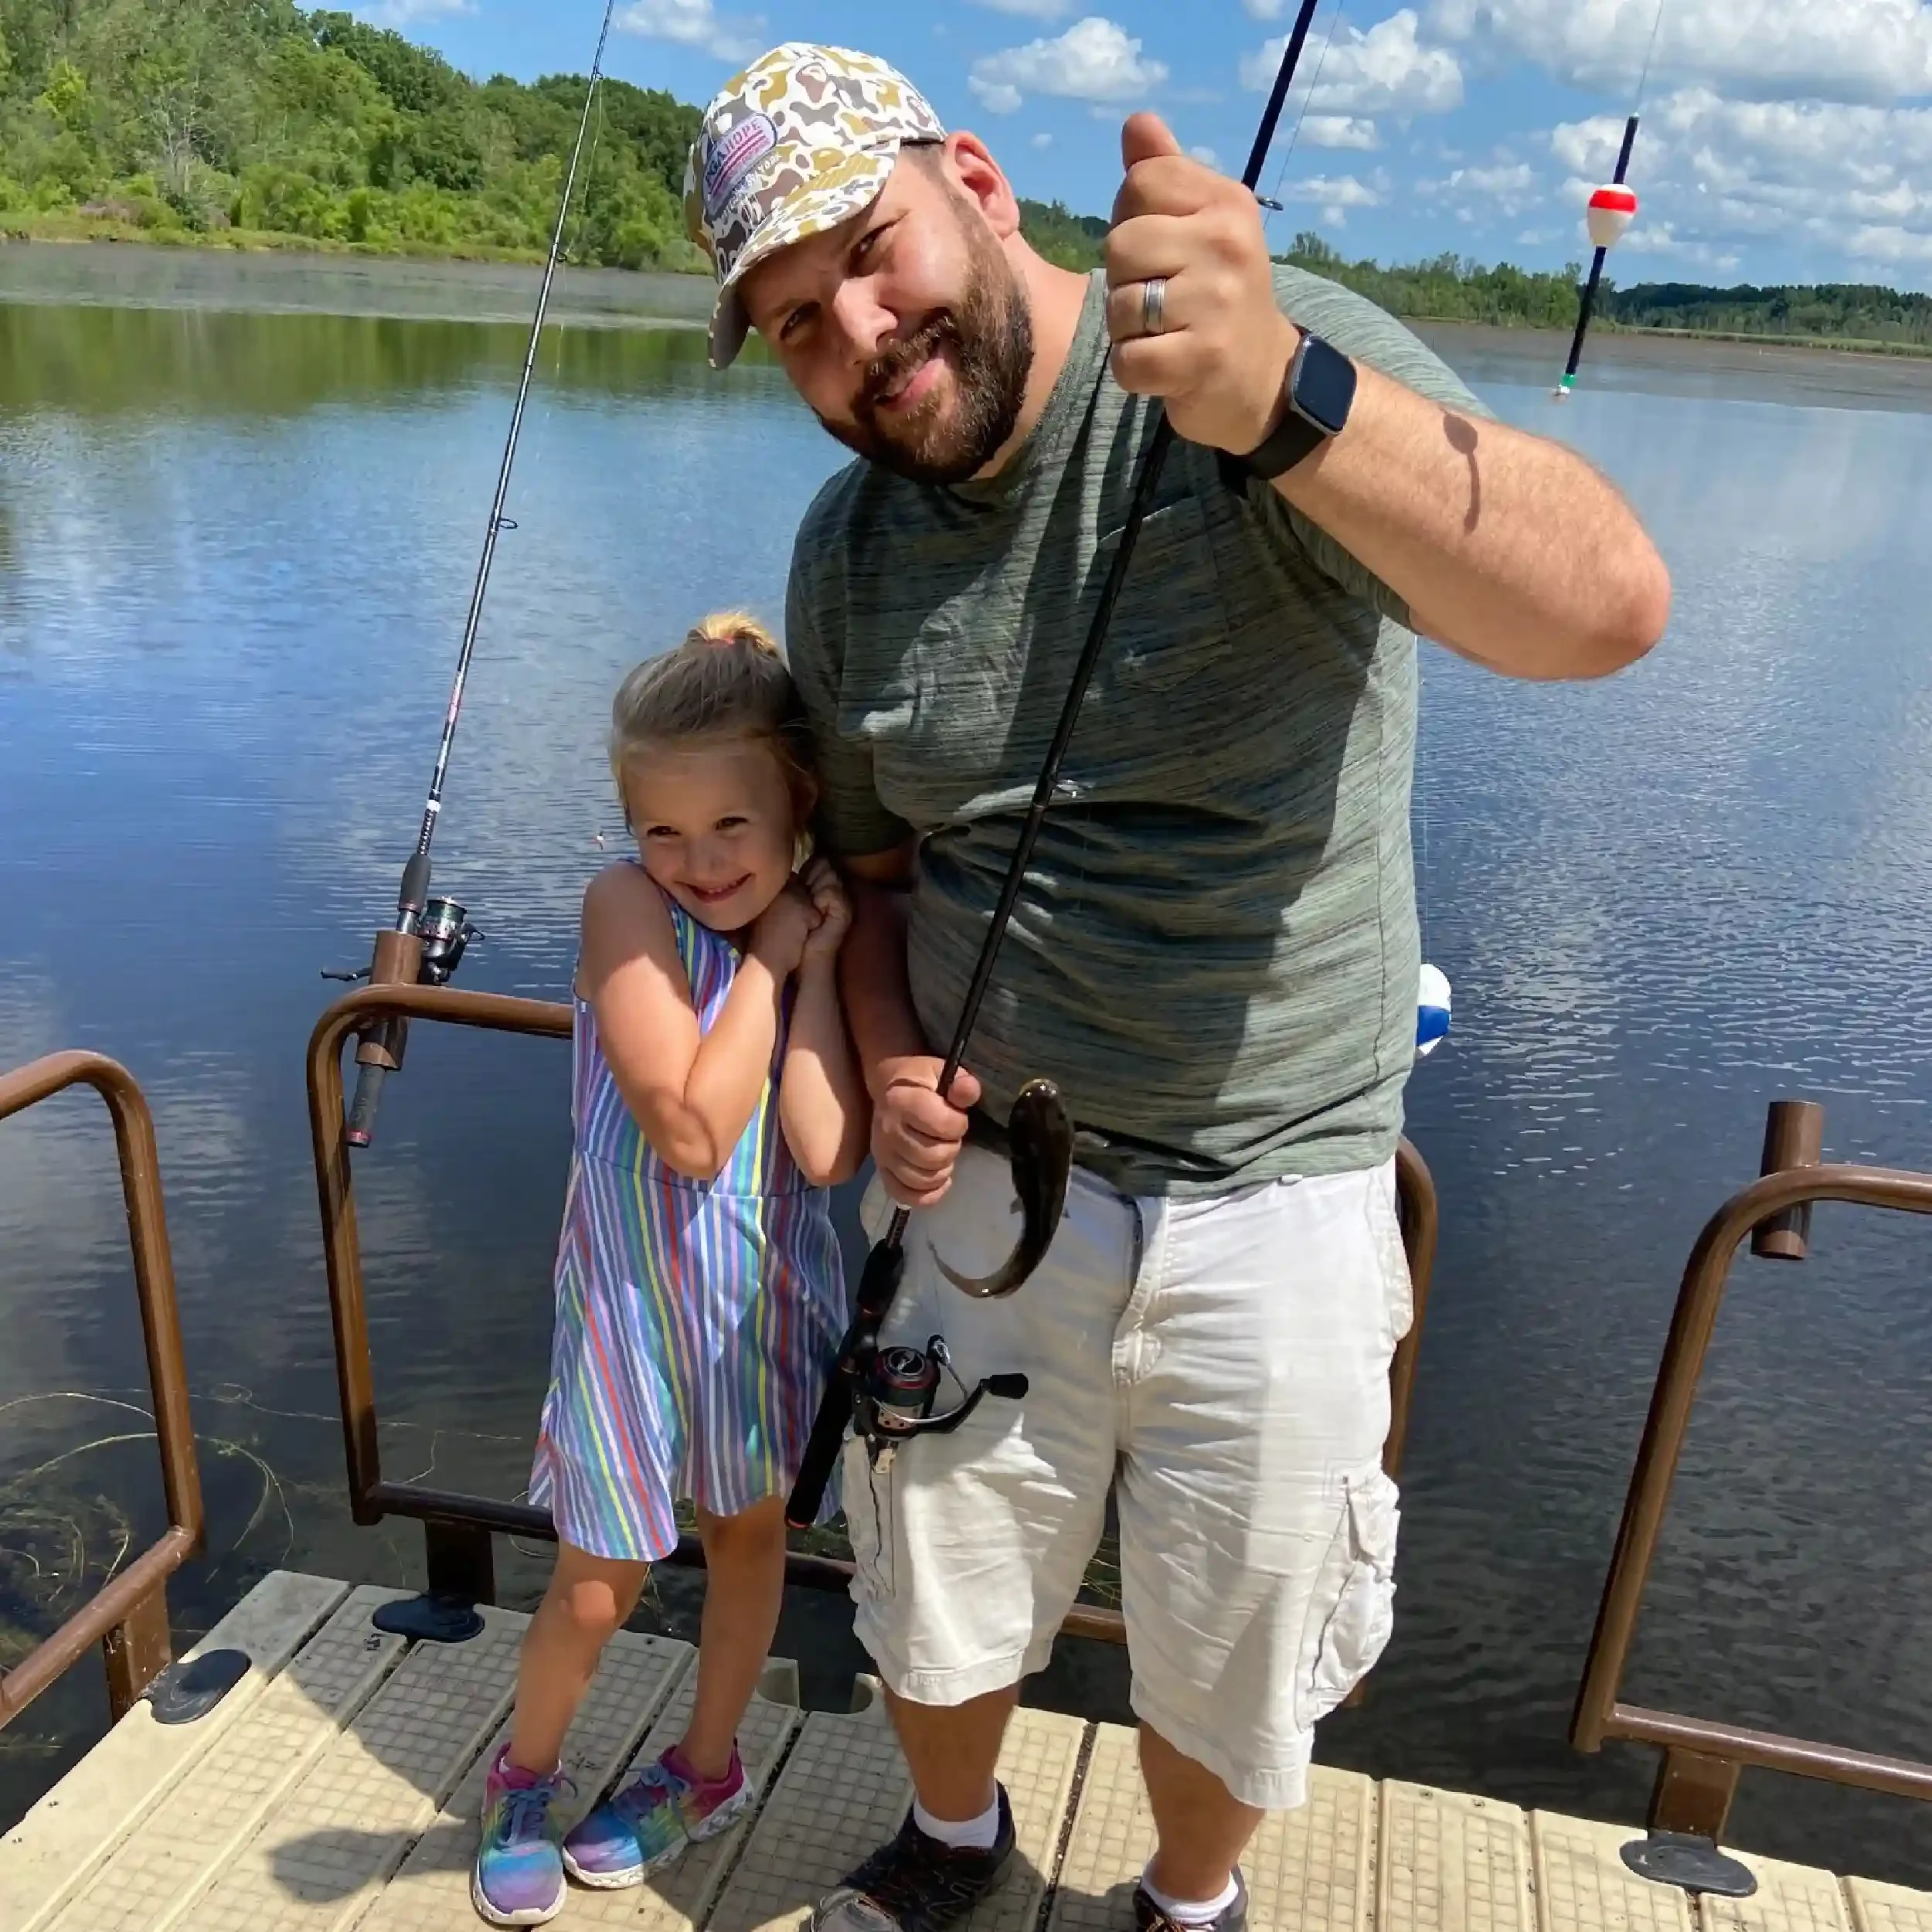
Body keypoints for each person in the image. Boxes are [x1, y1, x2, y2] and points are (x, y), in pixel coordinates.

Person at [683, 43, 1672, 1932]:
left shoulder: (1266, 344)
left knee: (1237, 1639)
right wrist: (888, 1067)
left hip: (1281, 1180)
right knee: (934, 1572)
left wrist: (1284, 405)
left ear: (972, 177)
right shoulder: (846, 558)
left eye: (867, 254)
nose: (861, 336)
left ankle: (1186, 1903)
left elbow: (1605, 605)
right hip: (987, 1188)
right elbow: (879, 890)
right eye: (798, 325)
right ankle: (956, 1843)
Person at [471, 614, 869, 1927]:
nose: (696, 865)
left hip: (767, 1308)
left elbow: (817, 1144)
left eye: (733, 831)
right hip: (632, 1311)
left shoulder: (816, 926)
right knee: (596, 1580)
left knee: (750, 1541)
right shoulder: (625, 909)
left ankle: (708, 1765)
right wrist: (768, 957)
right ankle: (523, 1774)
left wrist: (815, 960)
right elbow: (693, 1132)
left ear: (796, 806)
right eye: (664, 832)